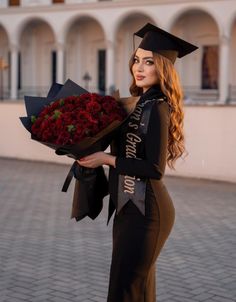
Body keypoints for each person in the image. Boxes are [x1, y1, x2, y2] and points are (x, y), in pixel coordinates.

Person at [77, 23, 198, 302]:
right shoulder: (134, 104)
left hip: (148, 214)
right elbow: (123, 152)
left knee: (126, 289)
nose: (139, 67)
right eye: (136, 60)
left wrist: (107, 159)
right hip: (128, 207)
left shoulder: (157, 107)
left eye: (149, 62)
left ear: (163, 69)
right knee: (136, 291)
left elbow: (154, 169)